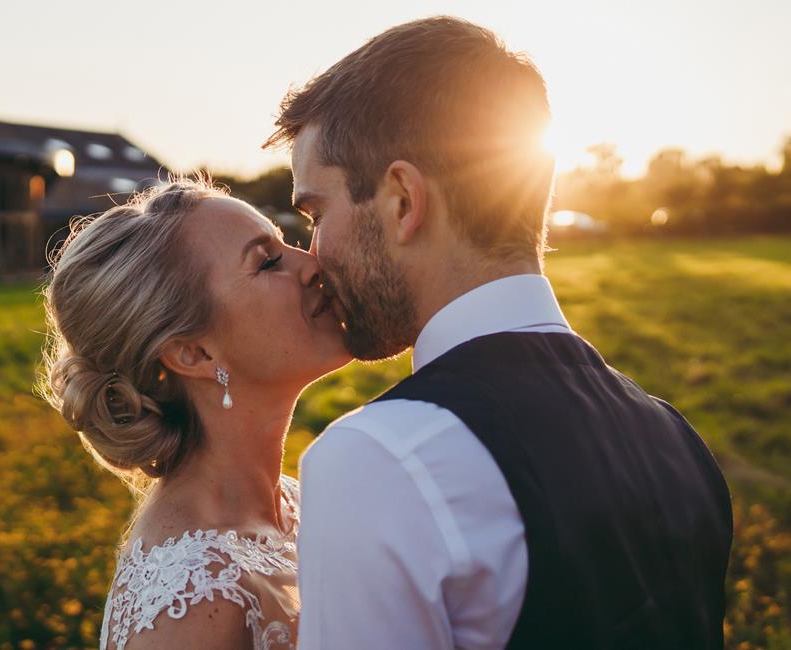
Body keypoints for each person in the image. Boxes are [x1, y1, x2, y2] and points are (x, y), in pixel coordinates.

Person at [270, 16, 734, 649]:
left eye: (317, 213)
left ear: (402, 201)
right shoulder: (677, 439)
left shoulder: (379, 460)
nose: (313, 252)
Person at [39, 177, 349, 649]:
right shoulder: (192, 602)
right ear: (192, 354)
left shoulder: (297, 506)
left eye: (288, 245)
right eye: (268, 262)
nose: (313, 265)